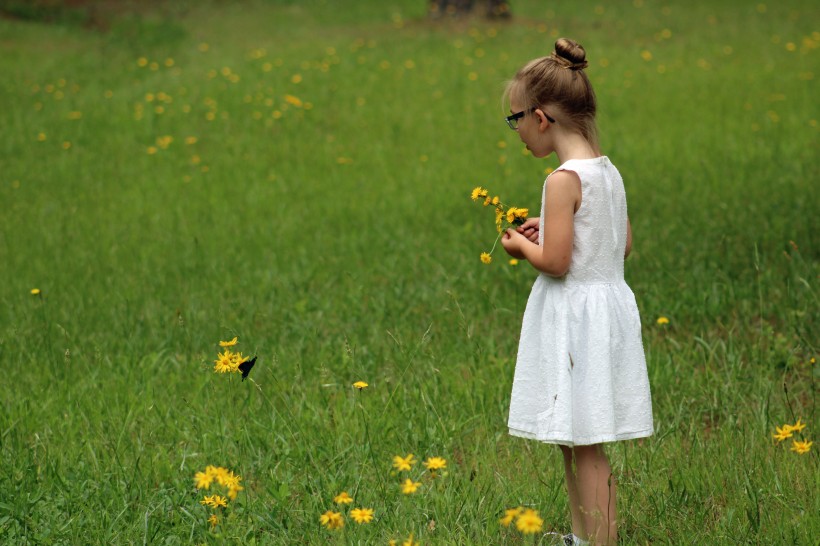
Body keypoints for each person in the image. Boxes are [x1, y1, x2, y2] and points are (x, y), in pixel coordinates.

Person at [500, 38, 654, 546]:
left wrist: (521, 248)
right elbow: (621, 243)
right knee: (575, 440)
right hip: (606, 313)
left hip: (576, 323)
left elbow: (560, 263)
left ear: (541, 118)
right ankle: (582, 537)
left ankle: (600, 543)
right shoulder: (607, 171)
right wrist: (554, 223)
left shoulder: (561, 180)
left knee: (585, 447)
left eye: (516, 118)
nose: (516, 130)